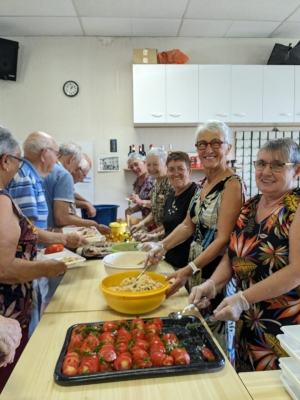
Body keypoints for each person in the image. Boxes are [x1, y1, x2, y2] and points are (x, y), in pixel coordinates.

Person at [189, 137, 300, 373]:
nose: (266, 171)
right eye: (260, 164)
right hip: (246, 322)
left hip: (284, 325)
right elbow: (232, 255)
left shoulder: (296, 207)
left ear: (297, 170)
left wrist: (243, 299)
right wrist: (212, 284)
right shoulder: (250, 206)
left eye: (277, 165)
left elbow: (296, 271)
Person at [144, 120, 247, 357]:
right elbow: (187, 225)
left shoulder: (232, 184)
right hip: (196, 265)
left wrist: (190, 268)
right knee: (194, 333)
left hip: (214, 270)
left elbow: (222, 240)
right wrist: (161, 245)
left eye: (215, 143)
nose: (208, 149)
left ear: (227, 147)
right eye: (202, 144)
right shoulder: (203, 184)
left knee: (214, 339)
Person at [0, 126, 68, 392]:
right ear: (5, 160)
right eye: (18, 160)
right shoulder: (2, 201)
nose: (19, 167)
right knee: (12, 384)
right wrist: (46, 268)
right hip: (7, 310)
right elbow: (4, 268)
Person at [7, 132, 87, 334]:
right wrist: (62, 238)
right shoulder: (25, 178)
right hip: (18, 269)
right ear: (44, 154)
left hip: (28, 262)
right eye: (56, 153)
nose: (58, 159)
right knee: (26, 324)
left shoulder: (32, 177)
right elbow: (26, 231)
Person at [140, 151, 197, 270]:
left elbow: (187, 227)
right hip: (169, 260)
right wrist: (154, 237)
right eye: (171, 169)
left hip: (187, 265)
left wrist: (159, 244)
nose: (175, 173)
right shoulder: (170, 196)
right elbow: (169, 227)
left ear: (189, 172)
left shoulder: (196, 193)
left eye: (180, 169)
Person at [130, 148, 173, 233]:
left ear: (165, 164)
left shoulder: (171, 184)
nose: (151, 168)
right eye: (149, 165)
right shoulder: (155, 183)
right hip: (160, 234)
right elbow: (155, 211)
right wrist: (141, 224)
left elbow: (173, 220)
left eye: (155, 164)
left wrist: (153, 234)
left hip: (171, 235)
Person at [125, 153, 154, 221]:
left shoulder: (153, 179)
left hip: (157, 222)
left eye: (136, 164)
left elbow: (159, 204)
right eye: (131, 167)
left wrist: (140, 201)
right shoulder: (137, 182)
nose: (134, 168)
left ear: (144, 162)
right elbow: (141, 204)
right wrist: (132, 210)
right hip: (146, 222)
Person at [70, 153, 96, 218]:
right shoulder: (64, 177)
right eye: (83, 175)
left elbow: (72, 194)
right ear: (77, 169)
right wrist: (86, 204)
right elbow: (67, 203)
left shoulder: (69, 179)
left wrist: (87, 202)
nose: (82, 180)